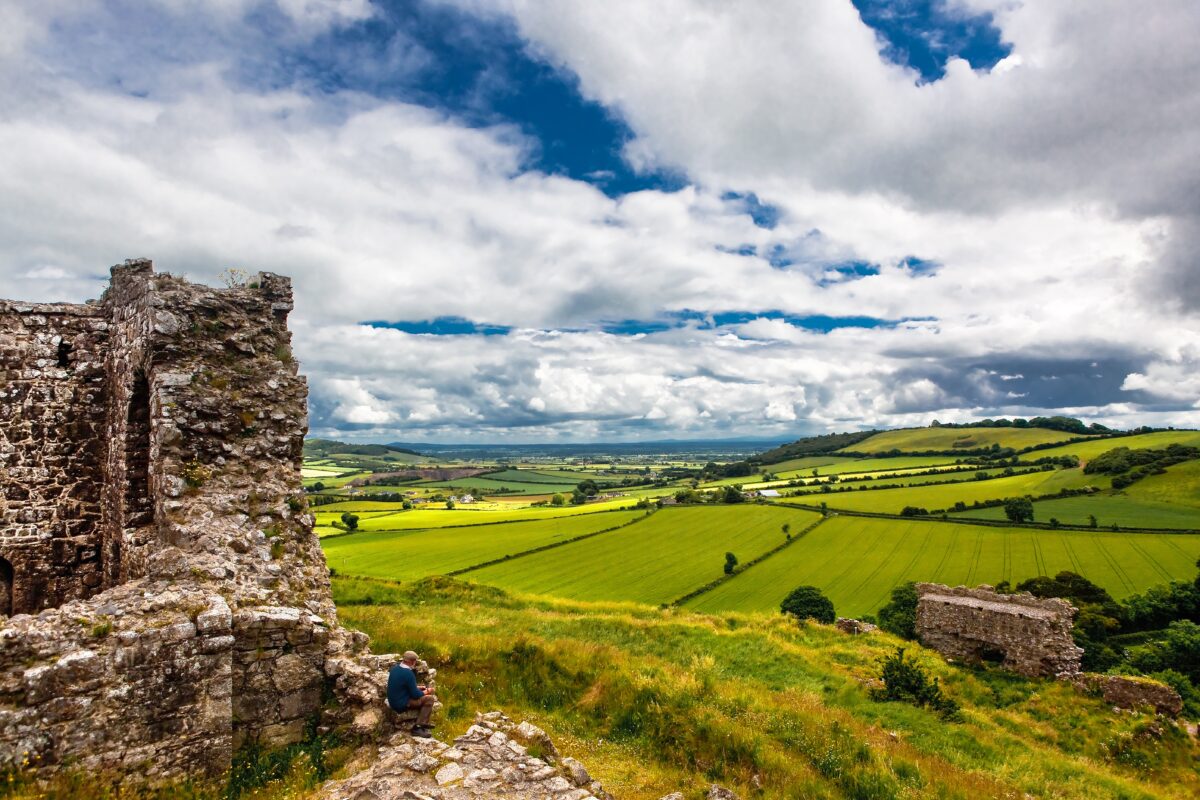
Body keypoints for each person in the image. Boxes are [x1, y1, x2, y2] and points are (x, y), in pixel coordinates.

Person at [387, 650, 438, 738]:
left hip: (393, 701)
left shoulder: (395, 669)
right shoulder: (408, 673)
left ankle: (424, 724)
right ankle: (419, 727)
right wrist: (427, 691)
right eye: (415, 661)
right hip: (401, 704)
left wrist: (417, 687)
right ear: (412, 661)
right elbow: (415, 695)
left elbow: (402, 686)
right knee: (429, 699)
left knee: (422, 693)